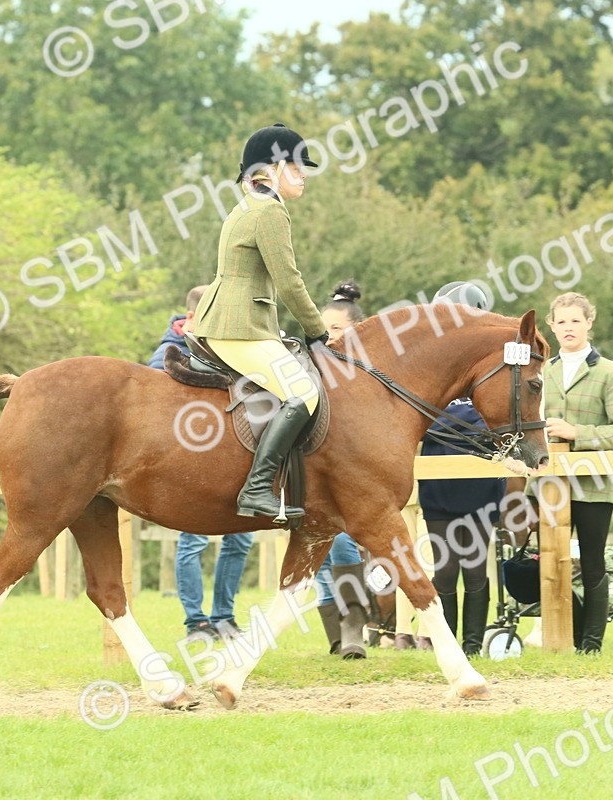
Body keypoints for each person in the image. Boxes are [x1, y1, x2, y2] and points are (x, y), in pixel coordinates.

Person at [194, 123, 329, 521]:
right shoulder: (270, 211)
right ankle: (256, 488)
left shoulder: (251, 204)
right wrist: (318, 331)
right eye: (296, 166)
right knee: (304, 392)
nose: (304, 174)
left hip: (236, 319)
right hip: (237, 326)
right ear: (271, 167)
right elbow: (289, 280)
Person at [148, 285, 255, 640]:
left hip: (233, 457)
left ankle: (224, 617)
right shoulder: (170, 350)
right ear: (193, 317)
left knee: (240, 541)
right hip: (192, 463)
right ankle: (196, 622)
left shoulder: (225, 345)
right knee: (192, 540)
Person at [542, 291, 613, 654]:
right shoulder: (542, 371)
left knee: (593, 563)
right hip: (549, 485)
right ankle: (567, 636)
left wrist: (576, 433)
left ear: (589, 323)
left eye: (575, 321)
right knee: (552, 561)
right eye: (561, 321)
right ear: (551, 326)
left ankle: (592, 644)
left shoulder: (611, 372)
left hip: (594, 484)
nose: (568, 328)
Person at [415, 282, 505, 656]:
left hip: (481, 482)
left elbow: (493, 418)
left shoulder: (487, 356)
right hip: (438, 482)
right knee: (446, 569)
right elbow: (420, 417)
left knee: (475, 569)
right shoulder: (429, 359)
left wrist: (447, 421)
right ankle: (448, 645)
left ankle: (472, 645)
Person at [312, 282, 370, 658]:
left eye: (336, 328)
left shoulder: (366, 368)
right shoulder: (311, 363)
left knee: (343, 540)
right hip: (315, 467)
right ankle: (336, 635)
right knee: (318, 547)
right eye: (324, 328)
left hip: (351, 469)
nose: (327, 335)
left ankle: (353, 625)